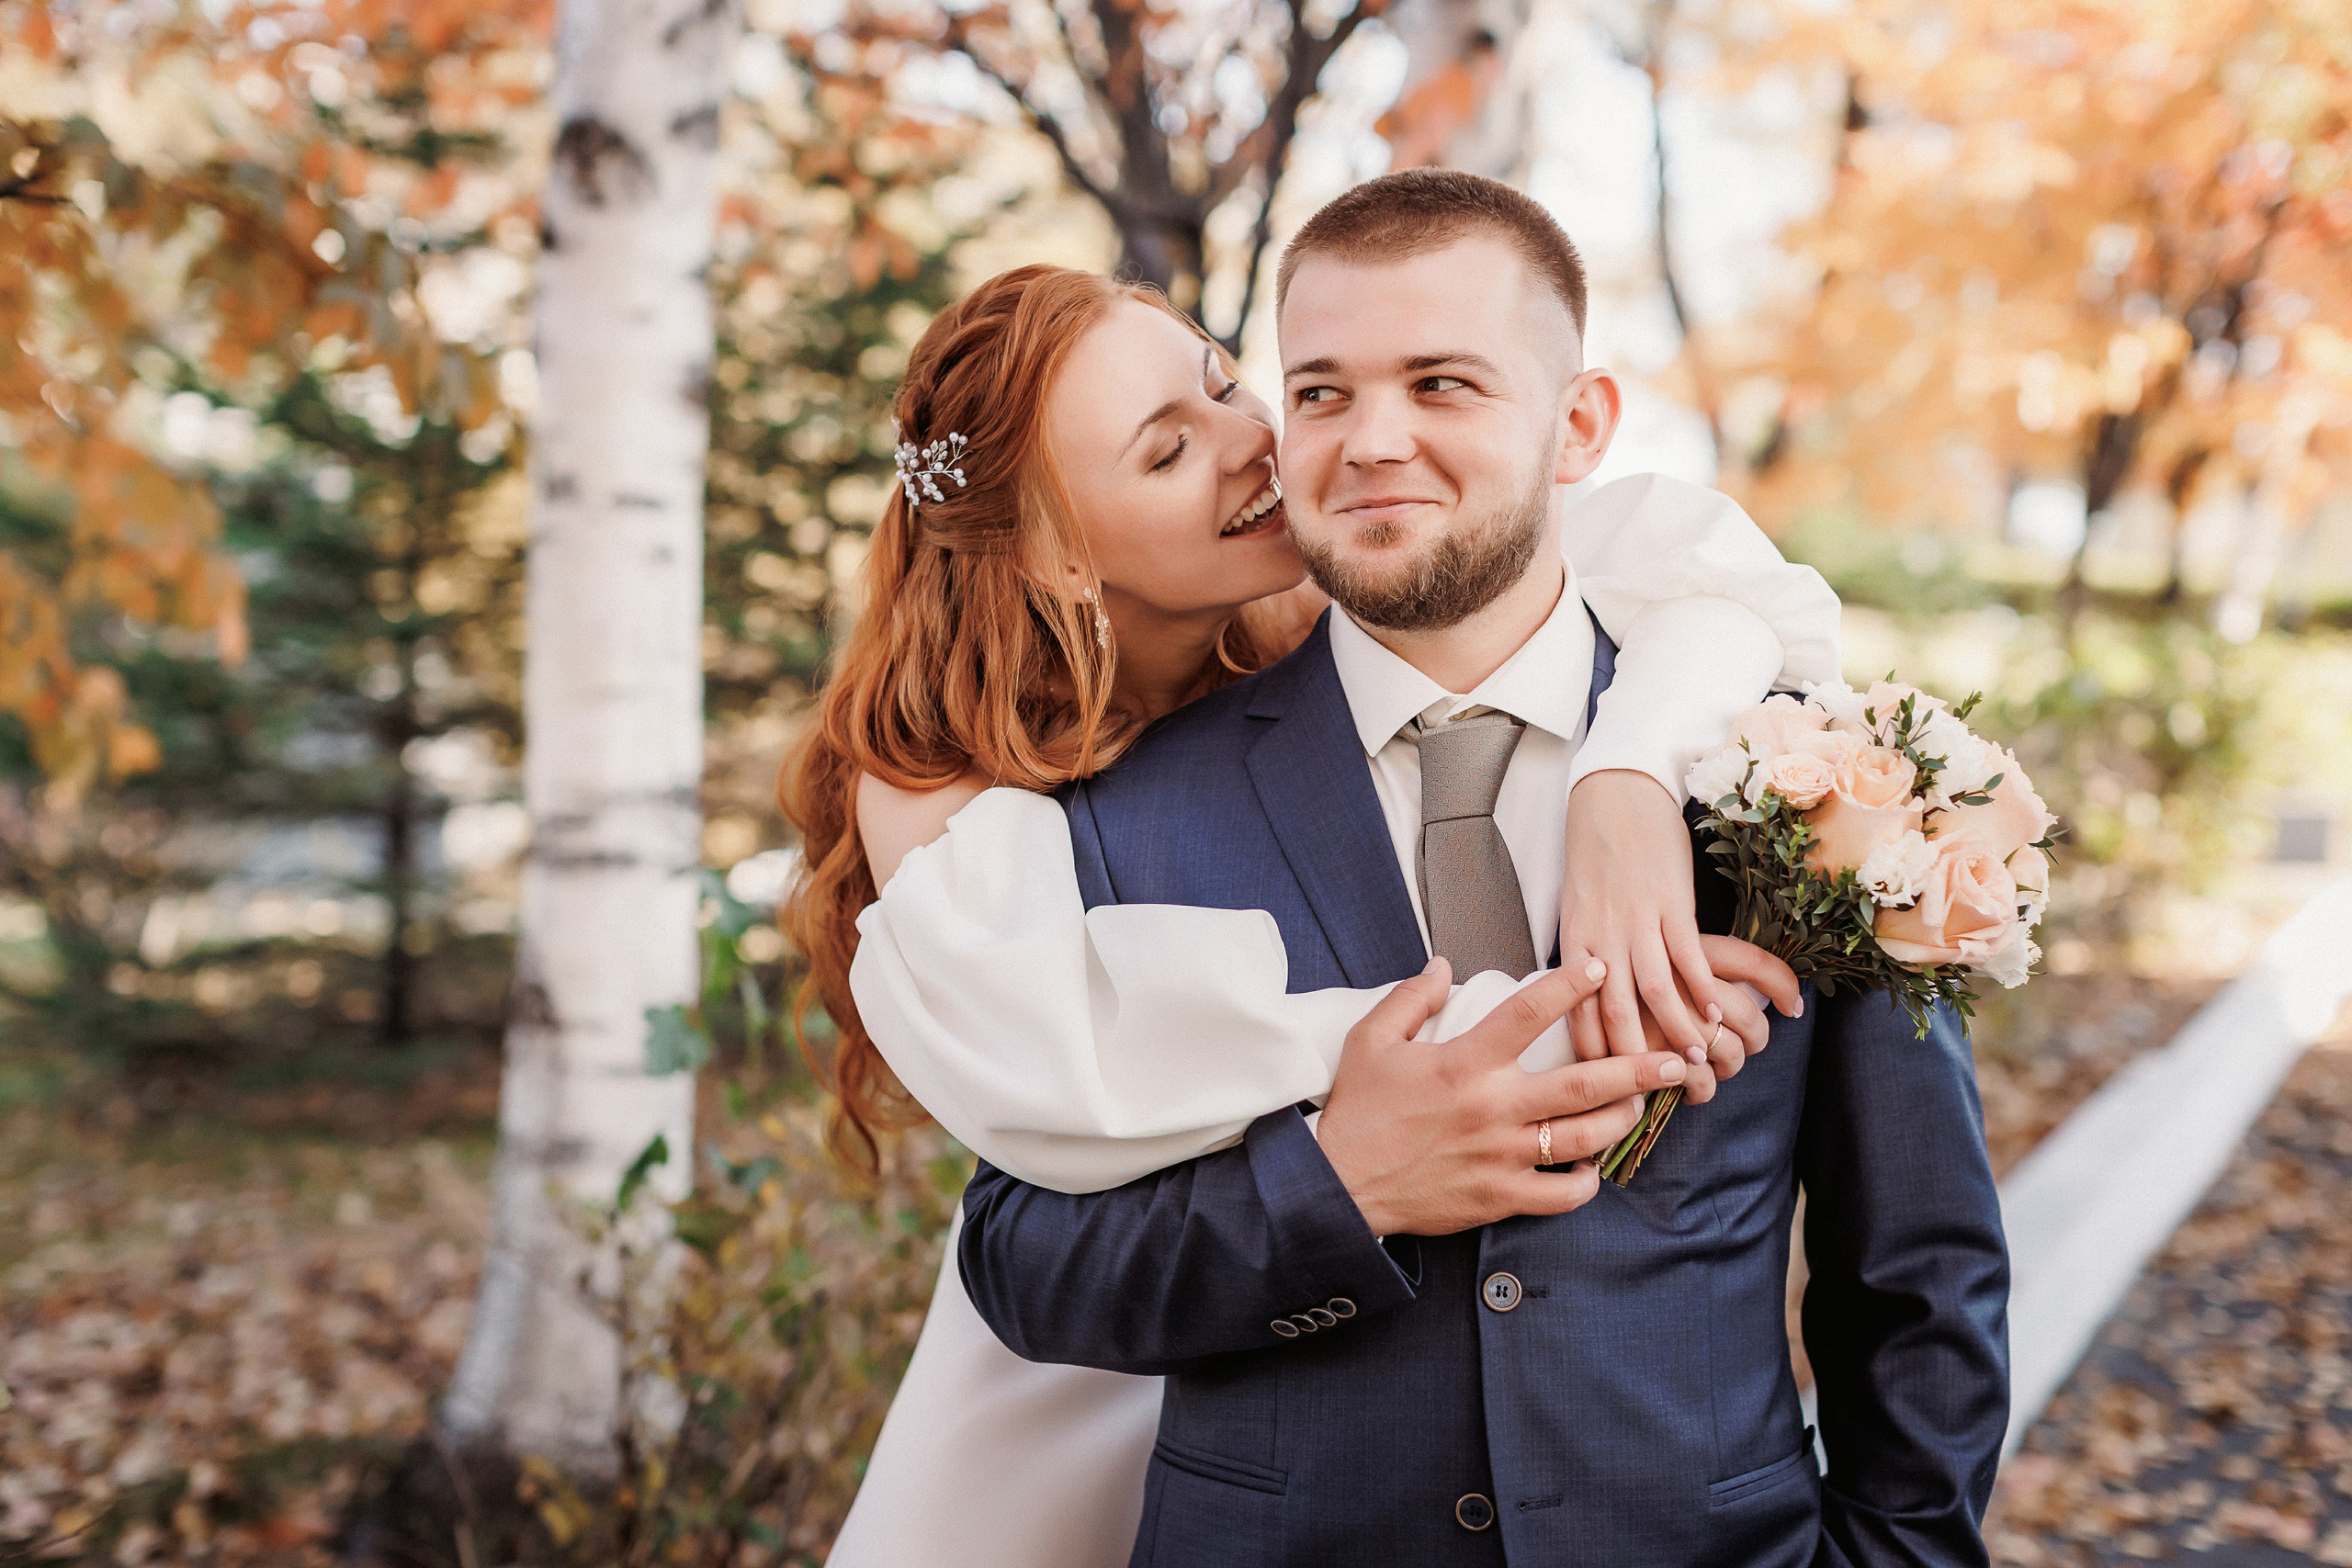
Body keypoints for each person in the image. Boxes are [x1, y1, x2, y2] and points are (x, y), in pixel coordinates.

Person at [883, 171, 2010, 1565]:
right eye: (1322, 392)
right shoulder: (1107, 815)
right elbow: (1026, 1268)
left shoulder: (1802, 773)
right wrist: (1340, 1187)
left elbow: (1920, 1272)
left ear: (1579, 424)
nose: (1373, 442)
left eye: (1444, 383)